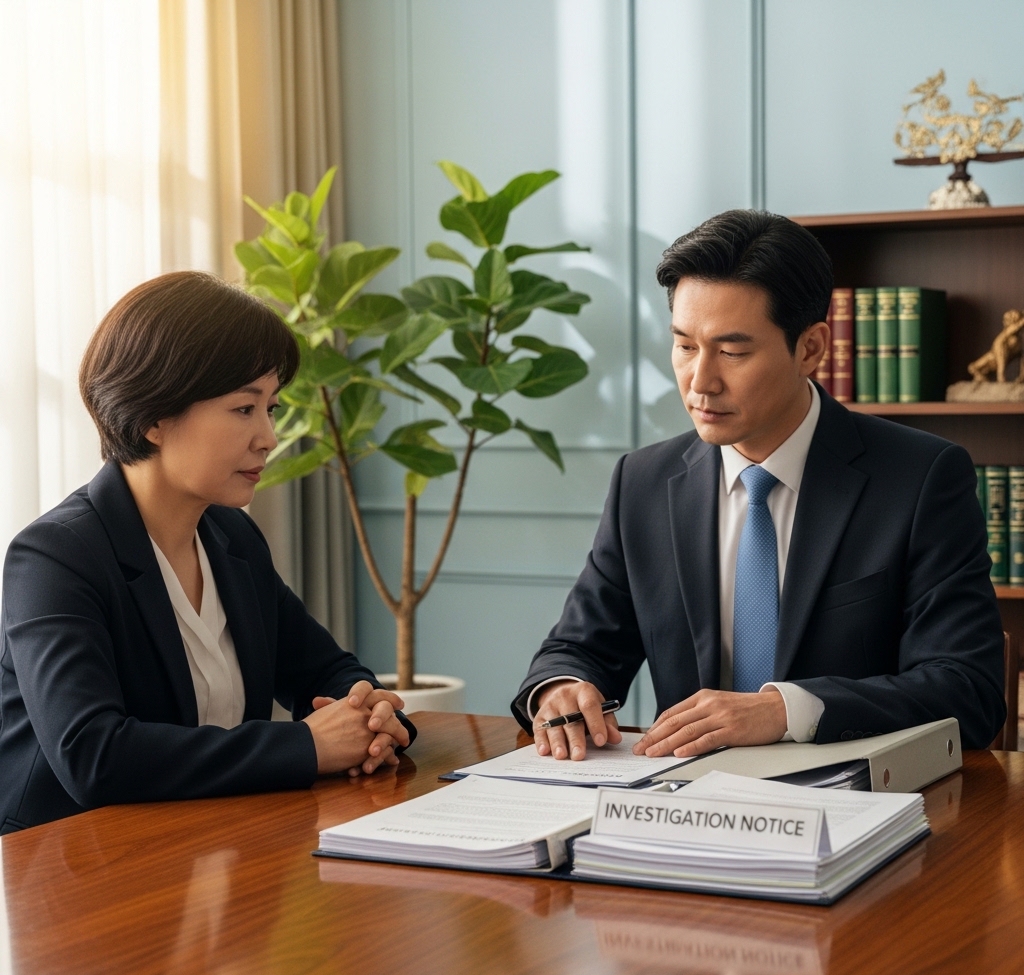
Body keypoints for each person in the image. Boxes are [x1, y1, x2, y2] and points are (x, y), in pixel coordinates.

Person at [511, 209, 1005, 760]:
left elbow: (969, 690)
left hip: (858, 807)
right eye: (684, 346)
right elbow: (579, 648)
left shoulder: (920, 478)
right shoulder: (644, 483)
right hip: (682, 804)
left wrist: (784, 710)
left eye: (732, 352)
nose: (700, 381)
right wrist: (559, 687)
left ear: (811, 349)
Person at [0, 271, 414, 834]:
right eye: (245, 409)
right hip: (79, 871)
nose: (268, 436)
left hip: (213, 851)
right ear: (153, 417)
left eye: (271, 407)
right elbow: (92, 755)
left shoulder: (231, 537)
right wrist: (305, 748)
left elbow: (327, 670)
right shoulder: (55, 557)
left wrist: (373, 714)